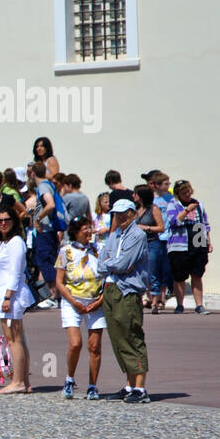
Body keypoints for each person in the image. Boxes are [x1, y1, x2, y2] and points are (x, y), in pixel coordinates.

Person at [97, 198, 151, 403]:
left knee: (132, 336)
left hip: (127, 290)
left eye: (123, 213)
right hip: (110, 288)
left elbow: (125, 264)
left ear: (132, 213)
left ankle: (140, 387)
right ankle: (129, 384)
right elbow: (102, 263)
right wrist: (113, 264)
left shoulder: (138, 235)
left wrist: (112, 264)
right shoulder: (114, 235)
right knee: (117, 337)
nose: (119, 217)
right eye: (116, 213)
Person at [54, 216, 105, 400]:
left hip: (95, 302)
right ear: (76, 231)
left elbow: (107, 278)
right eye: (85, 228)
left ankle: (92, 386)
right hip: (72, 300)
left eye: (90, 227)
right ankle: (69, 379)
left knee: (95, 346)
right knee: (76, 343)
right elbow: (59, 283)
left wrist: (100, 300)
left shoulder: (99, 250)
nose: (89, 231)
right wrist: (73, 301)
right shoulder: (66, 252)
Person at [0, 205, 34, 394]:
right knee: (17, 339)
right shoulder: (3, 243)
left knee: (14, 339)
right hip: (4, 295)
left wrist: (7, 296)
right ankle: (24, 382)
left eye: (7, 219)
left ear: (14, 221)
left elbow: (16, 272)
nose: (3, 223)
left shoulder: (16, 242)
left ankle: (18, 382)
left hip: (11, 296)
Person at [164, 180, 212, 315]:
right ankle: (180, 305)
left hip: (197, 239)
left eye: (188, 190)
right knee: (179, 276)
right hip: (180, 243)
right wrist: (186, 210)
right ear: (178, 193)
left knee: (197, 273)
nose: (187, 194)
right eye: (184, 192)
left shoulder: (199, 204)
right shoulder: (173, 204)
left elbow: (205, 224)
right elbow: (173, 221)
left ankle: (199, 305)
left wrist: (208, 241)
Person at [27, 161, 61, 309]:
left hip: (46, 230)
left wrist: (37, 219)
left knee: (46, 261)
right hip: (48, 231)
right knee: (48, 260)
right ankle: (54, 295)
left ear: (33, 173)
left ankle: (54, 296)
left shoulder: (43, 186)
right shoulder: (47, 185)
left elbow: (50, 204)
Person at [132, 183, 166, 313]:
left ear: (141, 196)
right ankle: (142, 298)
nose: (133, 196)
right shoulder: (134, 209)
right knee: (138, 273)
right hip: (137, 245)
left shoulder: (153, 209)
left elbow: (161, 228)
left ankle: (155, 302)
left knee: (152, 272)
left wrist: (145, 228)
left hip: (152, 243)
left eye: (135, 193)